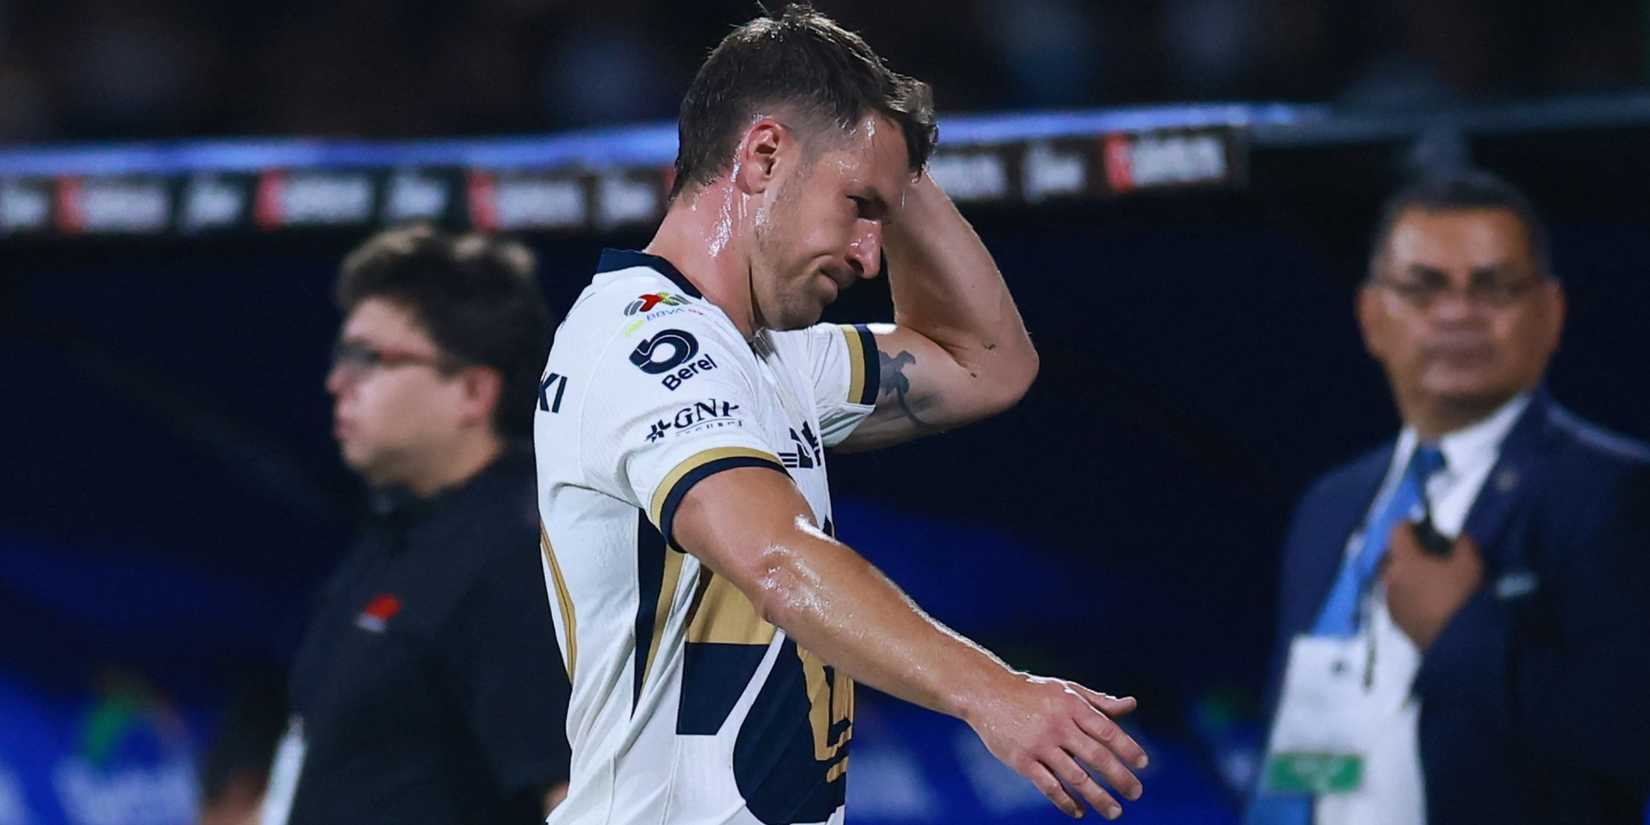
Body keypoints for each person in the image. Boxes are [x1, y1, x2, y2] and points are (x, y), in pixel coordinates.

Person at [532, 6, 1148, 825]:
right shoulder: (644, 343)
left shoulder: (772, 355)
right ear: (761, 154)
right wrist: (992, 693)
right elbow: (780, 561)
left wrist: (889, 152)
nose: (868, 255)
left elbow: (988, 363)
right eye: (857, 206)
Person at [1246, 169, 1650, 825]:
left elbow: (1629, 731)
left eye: (1494, 287)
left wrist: (1461, 630)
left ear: (1551, 313)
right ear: (1372, 315)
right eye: (1423, 287)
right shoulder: (1330, 503)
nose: (1458, 312)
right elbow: (1294, 729)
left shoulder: (1615, 492)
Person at [259, 226, 571, 824]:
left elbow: (570, 795)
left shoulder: (512, 558)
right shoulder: (396, 533)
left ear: (473, 391)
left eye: (368, 359)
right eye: (340, 356)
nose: (336, 382)